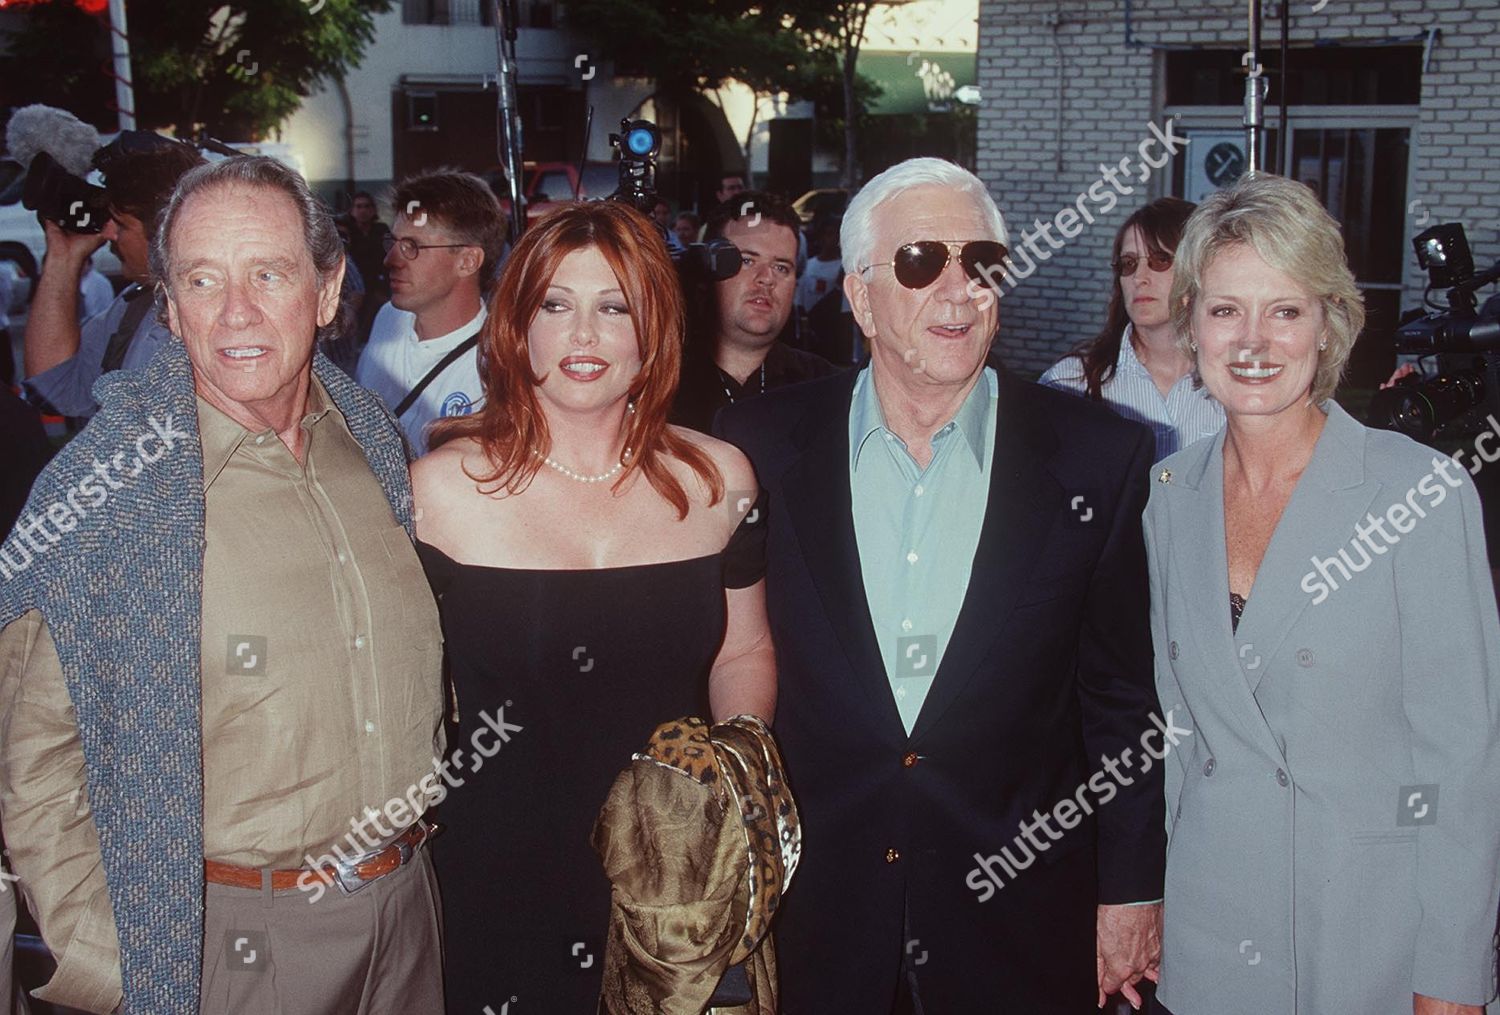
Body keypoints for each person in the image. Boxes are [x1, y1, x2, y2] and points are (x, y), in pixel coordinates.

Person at [717, 157, 1166, 1013]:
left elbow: (1121, 694)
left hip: (1022, 917)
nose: (960, 291)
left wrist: (1133, 888)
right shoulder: (757, 447)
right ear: (859, 296)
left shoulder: (1099, 456)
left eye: (984, 264)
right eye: (922, 261)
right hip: (815, 915)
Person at [0, 156, 445, 1013]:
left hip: (408, 912)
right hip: (233, 942)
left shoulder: (375, 444)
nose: (236, 312)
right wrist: (116, 967)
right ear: (168, 305)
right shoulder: (106, 495)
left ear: (325, 290)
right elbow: (36, 764)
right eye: (202, 280)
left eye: (269, 273)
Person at [1145, 173, 1500, 1015]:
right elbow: (1175, 735)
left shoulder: (1419, 491)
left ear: (1329, 322)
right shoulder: (1168, 491)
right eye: (1226, 309)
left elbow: (1462, 762)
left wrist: (1451, 977)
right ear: (1189, 321)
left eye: (1286, 309)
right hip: (1211, 942)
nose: (1253, 340)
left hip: (1365, 943)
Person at [410, 199, 776, 1012]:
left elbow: (741, 651)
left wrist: (728, 779)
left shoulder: (721, 482)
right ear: (516, 324)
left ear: (654, 330)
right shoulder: (438, 491)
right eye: (555, 305)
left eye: (613, 307)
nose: (583, 337)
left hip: (668, 886)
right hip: (492, 876)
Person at [21, 132, 203, 419]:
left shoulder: (211, 322)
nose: (108, 233)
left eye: (121, 225)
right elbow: (54, 389)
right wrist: (64, 258)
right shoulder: (138, 305)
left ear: (164, 235)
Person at [1040, 197, 1222, 462]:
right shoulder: (1070, 383)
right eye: (1129, 263)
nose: (1139, 277)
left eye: (1160, 260)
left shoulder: (1232, 384)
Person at [354, 169, 504, 455]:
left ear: (468, 261)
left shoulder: (495, 369)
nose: (390, 259)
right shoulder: (388, 318)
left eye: (412, 246)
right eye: (393, 242)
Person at [670, 192, 839, 434]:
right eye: (747, 261)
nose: (767, 279)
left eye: (781, 267)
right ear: (706, 268)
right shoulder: (660, 383)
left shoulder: (826, 389)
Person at [342, 189, 391, 342]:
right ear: (352, 210)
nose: (363, 210)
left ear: (373, 210)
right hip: (354, 285)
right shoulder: (347, 231)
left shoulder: (381, 230)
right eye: (359, 206)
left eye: (367, 206)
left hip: (377, 283)